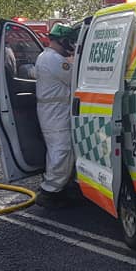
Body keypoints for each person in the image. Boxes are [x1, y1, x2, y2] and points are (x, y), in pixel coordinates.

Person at [35, 23, 80, 207]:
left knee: (57, 150)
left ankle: (60, 187)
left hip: (54, 111)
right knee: (62, 151)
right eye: (70, 41)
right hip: (56, 113)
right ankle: (50, 192)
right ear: (63, 40)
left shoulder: (46, 57)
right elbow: (74, 78)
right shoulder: (53, 59)